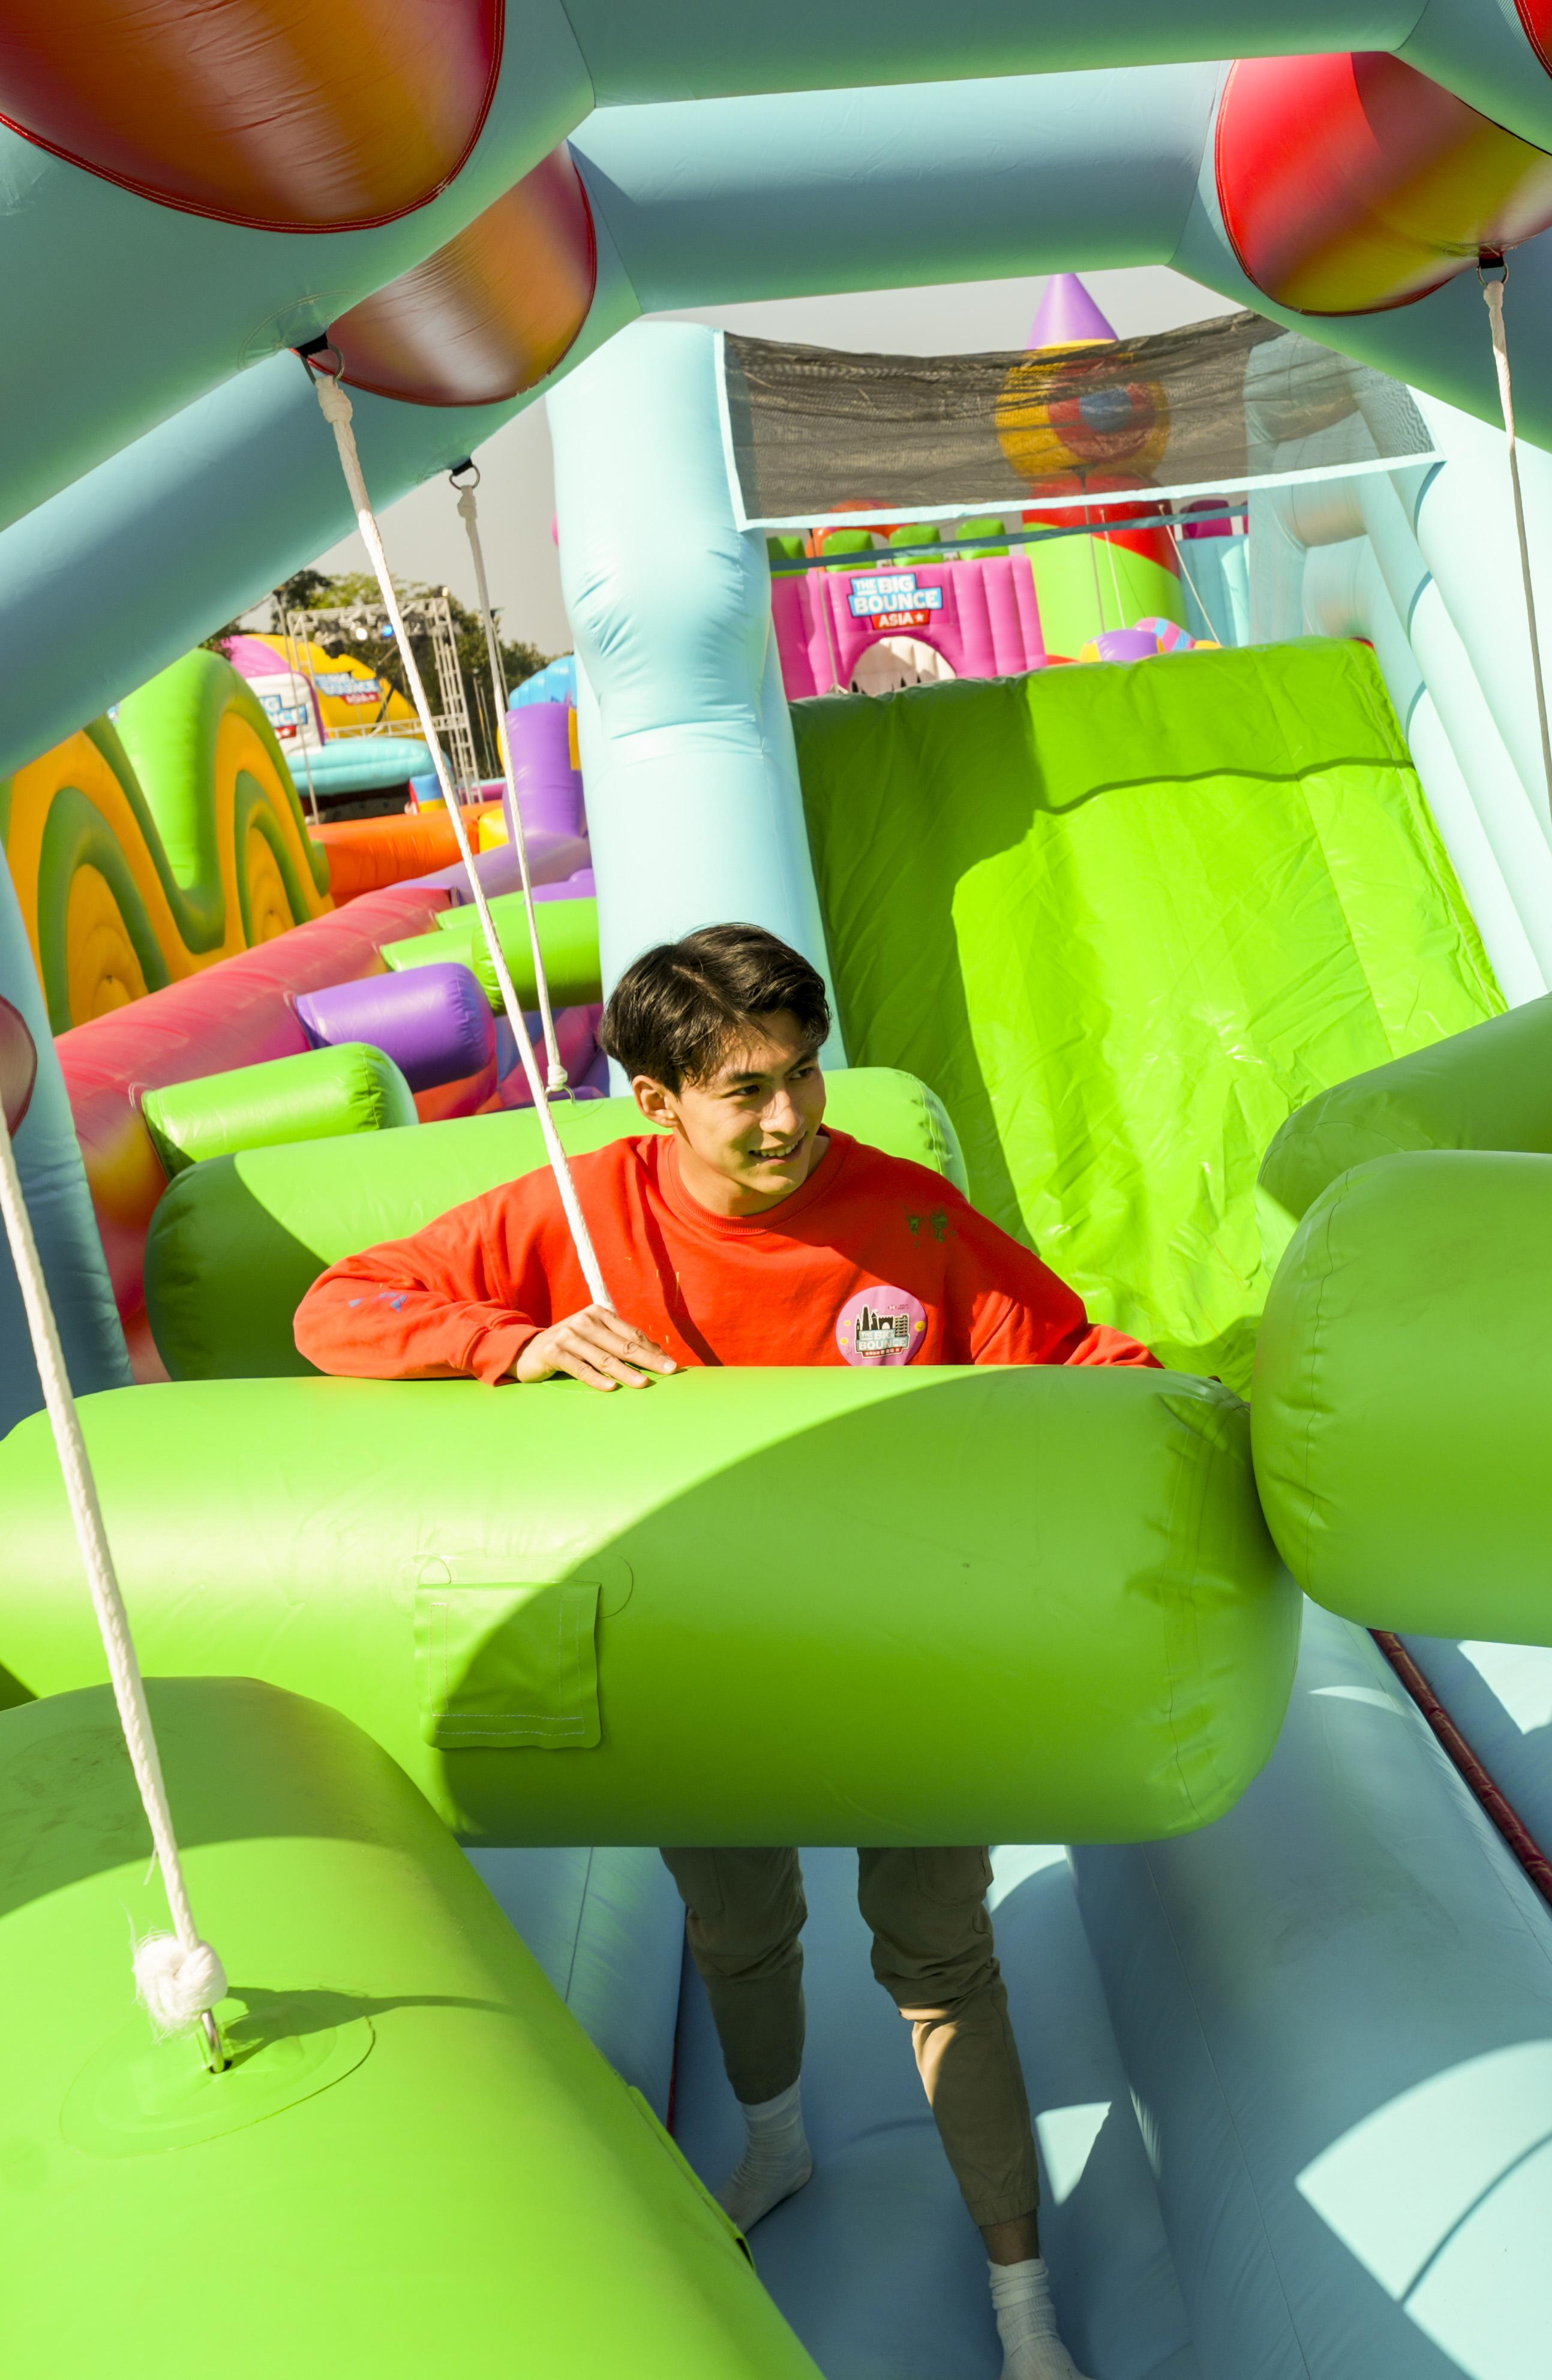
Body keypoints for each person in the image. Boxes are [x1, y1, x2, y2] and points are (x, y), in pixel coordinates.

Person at [299, 921, 1148, 2380]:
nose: (790, 1116)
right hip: (696, 1652)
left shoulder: (903, 1216)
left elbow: (1072, 1361)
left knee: (941, 1955)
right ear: (656, 1100)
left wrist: (1191, 1429)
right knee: (738, 1930)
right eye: (747, 1089)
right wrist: (514, 1343)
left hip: (899, 1647)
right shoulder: (578, 1209)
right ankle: (773, 2141)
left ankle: (1024, 2305)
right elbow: (339, 1306)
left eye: (804, 1072)